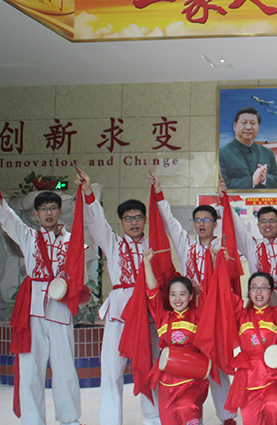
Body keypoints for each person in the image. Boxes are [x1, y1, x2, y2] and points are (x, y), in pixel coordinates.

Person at [0, 164, 82, 425]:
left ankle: (69, 419)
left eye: (53, 208)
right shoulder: (28, 237)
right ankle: (33, 421)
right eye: (43, 209)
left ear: (60, 211)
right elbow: (6, 216)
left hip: (60, 307)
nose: (48, 212)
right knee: (30, 366)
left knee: (65, 365)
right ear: (36, 214)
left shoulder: (72, 240)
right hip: (32, 309)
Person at [149, 174, 249, 425]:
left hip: (213, 314)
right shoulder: (187, 246)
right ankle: (192, 414)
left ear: (215, 223)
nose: (202, 224)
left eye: (207, 220)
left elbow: (227, 276)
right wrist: (159, 193)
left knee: (216, 362)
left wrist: (224, 199)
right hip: (189, 314)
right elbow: (170, 223)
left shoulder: (222, 247)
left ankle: (227, 417)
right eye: (197, 220)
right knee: (190, 363)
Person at [76, 171, 161, 425]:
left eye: (138, 217)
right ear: (121, 222)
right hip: (119, 313)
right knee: (112, 369)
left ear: (145, 220)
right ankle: (110, 420)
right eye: (128, 218)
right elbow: (97, 223)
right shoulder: (113, 243)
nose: (133, 222)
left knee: (150, 366)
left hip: (148, 313)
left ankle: (153, 417)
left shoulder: (155, 246)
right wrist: (89, 192)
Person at [143, 250, 209, 425]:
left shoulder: (197, 316)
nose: (177, 299)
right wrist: (147, 263)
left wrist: (215, 261)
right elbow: (152, 291)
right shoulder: (163, 317)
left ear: (190, 296)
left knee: (186, 407)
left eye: (182, 294)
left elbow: (212, 293)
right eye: (173, 294)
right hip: (167, 382)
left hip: (193, 380)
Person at [226, 270, 277, 424]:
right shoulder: (241, 316)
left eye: (264, 288)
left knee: (274, 405)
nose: (259, 292)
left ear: (271, 292)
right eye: (254, 287)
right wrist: (218, 265)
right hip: (248, 379)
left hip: (273, 376)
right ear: (249, 292)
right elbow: (224, 295)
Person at [220, 106, 277, 189]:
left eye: (252, 123)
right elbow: (221, 186)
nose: (248, 127)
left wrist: (265, 179)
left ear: (258, 127)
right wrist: (252, 181)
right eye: (244, 122)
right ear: (234, 126)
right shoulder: (222, 154)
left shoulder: (268, 153)